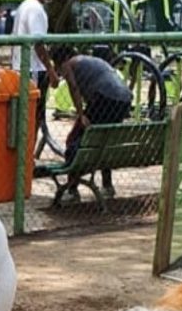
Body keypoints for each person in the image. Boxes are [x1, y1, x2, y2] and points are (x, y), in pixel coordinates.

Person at [56, 51, 133, 201]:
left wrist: (80, 114)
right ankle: (107, 185)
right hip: (124, 99)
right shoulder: (89, 61)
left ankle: (72, 189)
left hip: (105, 97)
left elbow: (73, 87)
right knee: (104, 139)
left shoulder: (69, 64)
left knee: (74, 141)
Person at [11, 0, 59, 156]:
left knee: (28, 116)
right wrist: (51, 70)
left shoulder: (26, 5)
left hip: (21, 67)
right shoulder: (35, 10)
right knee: (33, 117)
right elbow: (38, 43)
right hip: (33, 71)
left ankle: (24, 157)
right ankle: (26, 157)